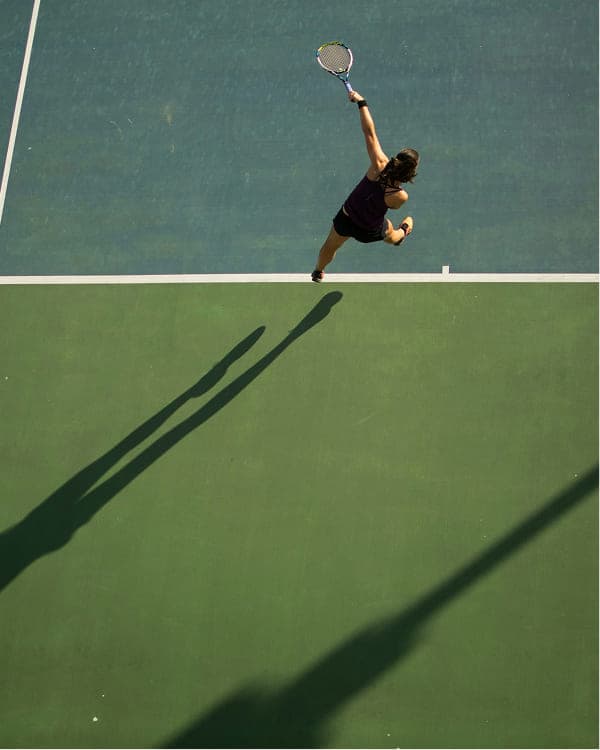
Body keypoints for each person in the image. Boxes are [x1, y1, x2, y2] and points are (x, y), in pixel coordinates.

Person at [311, 90, 419, 282]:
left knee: (329, 247)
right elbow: (391, 205)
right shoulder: (401, 196)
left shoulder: (379, 164)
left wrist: (362, 102)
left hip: (347, 217)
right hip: (368, 230)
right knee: (392, 235)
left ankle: (318, 271)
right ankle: (403, 232)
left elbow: (369, 132)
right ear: (410, 172)